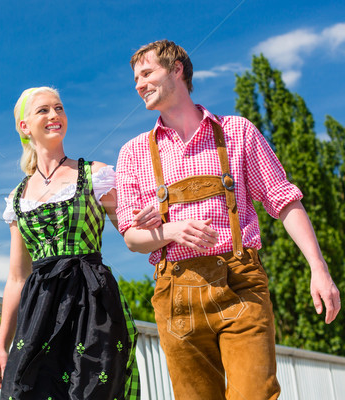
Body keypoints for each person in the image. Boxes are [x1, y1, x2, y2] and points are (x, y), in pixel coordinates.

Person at [115, 39, 341, 400]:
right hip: (176, 293)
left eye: (147, 73)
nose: (138, 84)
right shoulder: (134, 152)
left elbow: (283, 200)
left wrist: (319, 268)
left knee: (256, 393)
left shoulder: (237, 132)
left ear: (177, 70)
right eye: (135, 78)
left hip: (241, 281)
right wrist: (171, 229)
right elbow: (130, 236)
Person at [0, 87, 151, 399]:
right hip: (39, 312)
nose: (55, 116)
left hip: (93, 303)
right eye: (43, 110)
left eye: (59, 108)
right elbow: (16, 278)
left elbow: (132, 238)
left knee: (92, 390)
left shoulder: (96, 174)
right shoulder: (17, 198)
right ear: (24, 126)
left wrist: (162, 227)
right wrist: (2, 345)